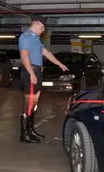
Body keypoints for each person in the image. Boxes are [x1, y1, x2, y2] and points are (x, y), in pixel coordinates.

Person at [19, 15, 69, 143]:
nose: (43, 29)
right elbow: (25, 57)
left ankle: (31, 130)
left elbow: (47, 53)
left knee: (34, 103)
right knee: (28, 103)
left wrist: (59, 64)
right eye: (42, 27)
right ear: (36, 24)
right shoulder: (25, 37)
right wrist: (32, 74)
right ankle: (24, 135)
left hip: (38, 72)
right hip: (31, 72)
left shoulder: (36, 39)